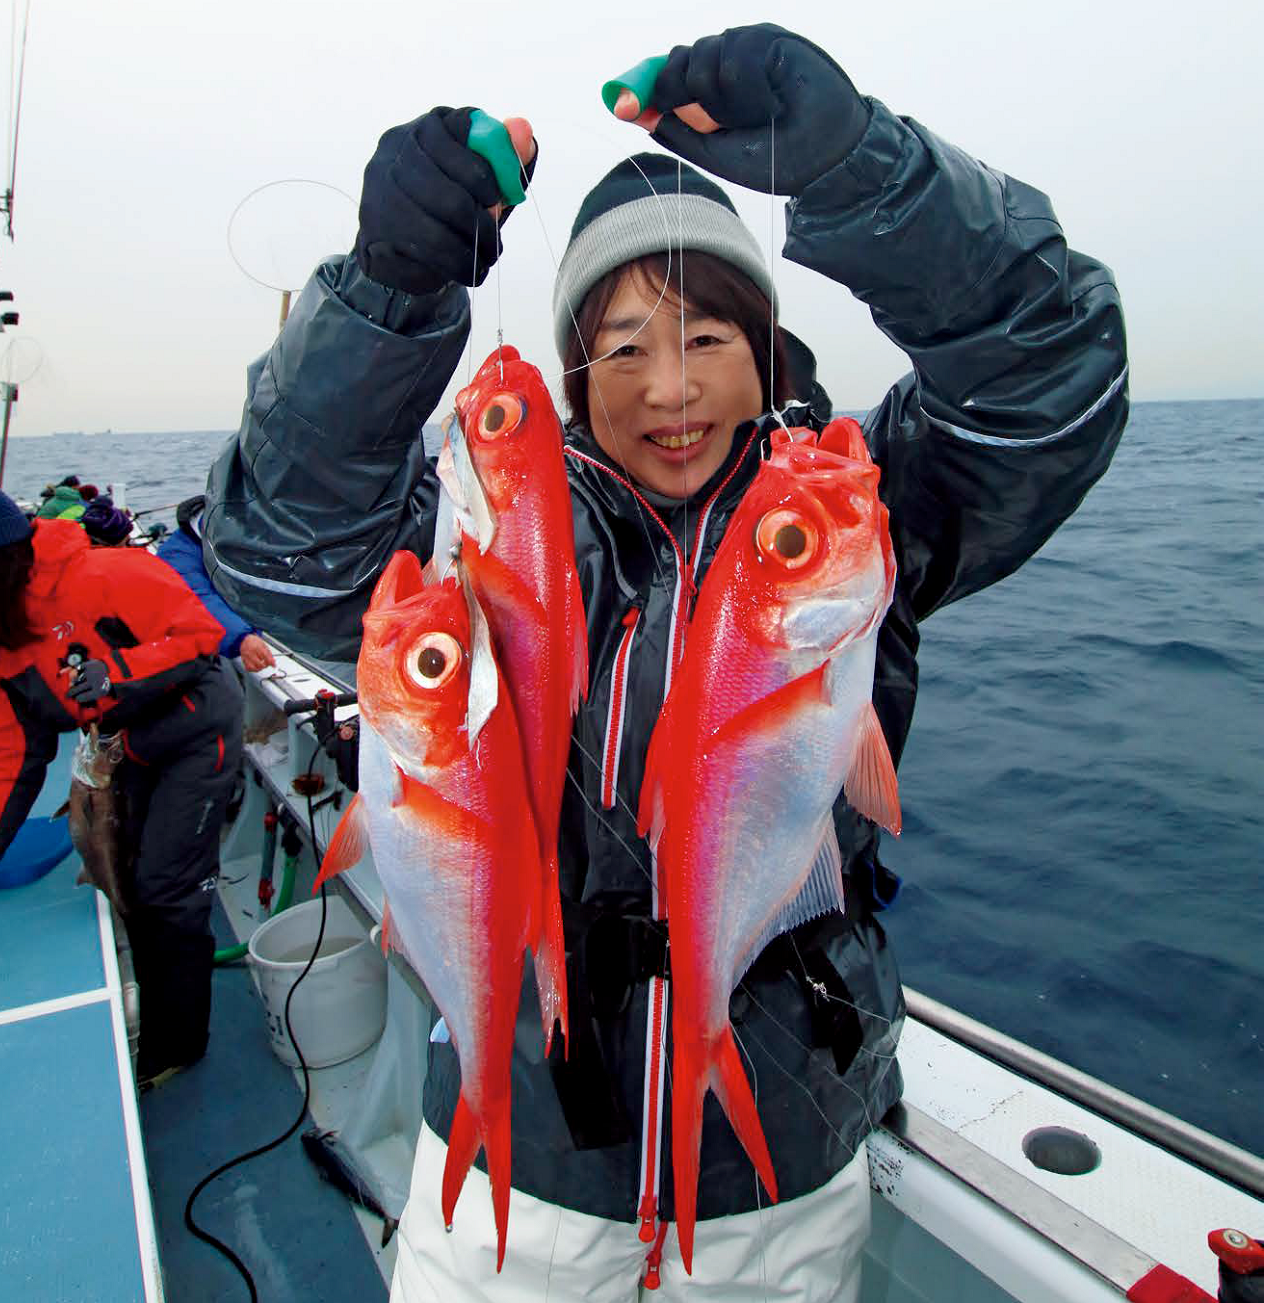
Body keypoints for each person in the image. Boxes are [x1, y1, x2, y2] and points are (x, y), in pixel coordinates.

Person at [203, 23, 1128, 1301]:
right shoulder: (494, 543)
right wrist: (387, 296)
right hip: (517, 1184)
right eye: (622, 346)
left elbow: (1051, 379)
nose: (669, 386)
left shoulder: (852, 510)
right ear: (576, 375)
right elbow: (281, 556)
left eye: (706, 334)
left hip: (781, 1178)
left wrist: (863, 169)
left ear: (765, 345)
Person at [0, 477, 245, 1089]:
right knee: (130, 878)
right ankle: (150, 1004)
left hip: (194, 731)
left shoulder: (105, 575)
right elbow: (17, 751)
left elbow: (200, 636)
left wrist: (117, 673)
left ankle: (177, 1044)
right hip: (123, 747)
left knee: (166, 889)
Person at [155, 494, 277, 671]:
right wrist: (242, 638)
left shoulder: (252, 531)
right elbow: (196, 598)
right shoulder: (177, 555)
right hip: (209, 651)